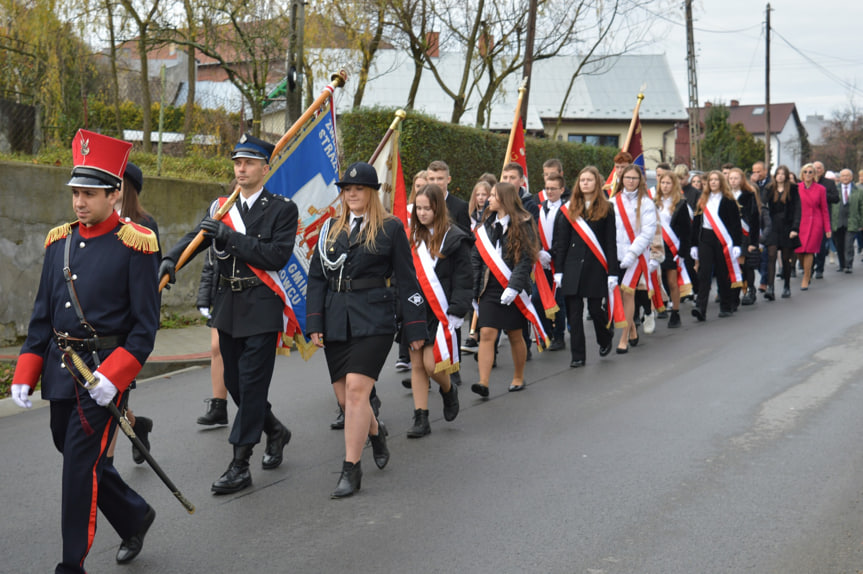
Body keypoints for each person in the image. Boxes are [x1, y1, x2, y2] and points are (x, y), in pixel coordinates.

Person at [10, 129, 160, 571]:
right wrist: (25, 371)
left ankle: (70, 564)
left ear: (114, 194)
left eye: (89, 193)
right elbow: (42, 317)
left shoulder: (136, 244)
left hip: (101, 376)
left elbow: (144, 329)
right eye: (75, 192)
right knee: (75, 452)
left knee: (77, 469)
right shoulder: (59, 243)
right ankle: (134, 515)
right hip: (61, 372)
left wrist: (113, 377)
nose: (79, 201)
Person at [160, 134, 297, 494]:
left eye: (249, 162)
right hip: (228, 305)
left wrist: (229, 236)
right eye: (237, 162)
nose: (241, 168)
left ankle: (240, 463)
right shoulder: (221, 205)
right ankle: (275, 430)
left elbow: (276, 256)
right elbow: (197, 236)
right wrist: (171, 259)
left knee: (252, 385)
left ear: (266, 168)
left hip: (262, 306)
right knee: (236, 386)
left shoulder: (283, 209)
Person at [306, 162, 427, 498]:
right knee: (347, 401)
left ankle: (351, 468)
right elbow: (317, 278)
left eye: (358, 189)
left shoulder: (390, 228)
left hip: (374, 319)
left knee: (358, 392)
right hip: (336, 320)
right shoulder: (329, 229)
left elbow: (406, 278)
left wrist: (415, 326)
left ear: (372, 192)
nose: (352, 194)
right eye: (347, 189)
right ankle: (375, 433)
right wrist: (314, 321)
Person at [104, 162, 158, 466]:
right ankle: (138, 426)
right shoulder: (99, 222)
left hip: (127, 329)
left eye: (117, 183)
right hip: (99, 326)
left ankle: (105, 468)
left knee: (114, 395)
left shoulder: (144, 225)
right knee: (109, 400)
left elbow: (150, 283)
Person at [405, 184, 469, 437]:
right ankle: (421, 418)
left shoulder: (455, 238)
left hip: (442, 312)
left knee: (432, 365)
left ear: (438, 209)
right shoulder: (411, 238)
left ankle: (447, 390)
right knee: (417, 365)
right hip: (415, 311)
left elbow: (464, 278)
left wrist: (456, 311)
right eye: (418, 208)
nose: (422, 213)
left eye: (427, 209)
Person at [471, 182, 541, 395]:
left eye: (493, 195)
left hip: (513, 289)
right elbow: (476, 259)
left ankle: (518, 377)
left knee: (514, 334)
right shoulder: (485, 226)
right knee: (486, 333)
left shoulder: (523, 223)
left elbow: (526, 259)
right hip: (490, 288)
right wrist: (473, 291)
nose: (488, 199)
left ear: (504, 199)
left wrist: (514, 287)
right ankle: (483, 382)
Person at [552, 166, 618, 367]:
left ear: (596, 183)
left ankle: (605, 338)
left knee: (596, 309)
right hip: (572, 266)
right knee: (574, 312)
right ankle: (578, 356)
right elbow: (561, 242)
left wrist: (612, 273)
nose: (585, 183)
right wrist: (559, 271)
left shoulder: (607, 208)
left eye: (589, 180)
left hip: (596, 266)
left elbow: (610, 243)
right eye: (582, 180)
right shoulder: (568, 207)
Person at [610, 164, 657, 353]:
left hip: (636, 257)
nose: (630, 181)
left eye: (634, 178)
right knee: (619, 297)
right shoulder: (613, 201)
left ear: (640, 181)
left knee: (628, 294)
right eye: (627, 178)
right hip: (616, 255)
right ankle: (632, 328)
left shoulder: (646, 203)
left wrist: (632, 253)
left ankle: (623, 338)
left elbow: (647, 232)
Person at [690, 171, 743, 320]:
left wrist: (737, 244)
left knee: (722, 272)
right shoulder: (702, 199)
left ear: (721, 182)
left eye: (716, 180)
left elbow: (735, 224)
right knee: (704, 273)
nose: (713, 182)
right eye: (710, 180)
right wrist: (694, 245)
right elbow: (696, 224)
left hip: (722, 239)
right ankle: (701, 308)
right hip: (705, 238)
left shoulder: (728, 200)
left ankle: (726, 306)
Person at [654, 171, 691, 328]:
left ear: (674, 185)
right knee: (655, 280)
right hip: (656, 246)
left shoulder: (680, 204)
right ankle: (658, 307)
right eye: (662, 183)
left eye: (668, 183)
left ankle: (675, 312)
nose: (665, 186)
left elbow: (686, 230)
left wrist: (683, 252)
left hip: (672, 248)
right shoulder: (653, 202)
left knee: (672, 282)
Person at [536, 173, 567, 350]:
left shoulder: (566, 209)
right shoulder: (539, 207)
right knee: (537, 298)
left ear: (561, 190)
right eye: (547, 188)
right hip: (540, 261)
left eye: (553, 189)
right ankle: (546, 331)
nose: (549, 192)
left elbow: (563, 238)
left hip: (558, 262)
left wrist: (551, 253)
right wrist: (539, 251)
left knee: (558, 301)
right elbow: (533, 230)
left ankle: (559, 336)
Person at [762, 165, 800, 299]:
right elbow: (763, 206)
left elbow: (797, 209)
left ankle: (787, 286)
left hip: (787, 227)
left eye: (783, 174)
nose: (780, 176)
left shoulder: (793, 189)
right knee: (771, 255)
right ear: (775, 175)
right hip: (773, 226)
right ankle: (770, 288)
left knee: (785, 258)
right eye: (778, 173)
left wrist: (795, 228)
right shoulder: (769, 189)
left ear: (786, 176)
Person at [793, 163, 831, 290]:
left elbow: (824, 209)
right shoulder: (796, 187)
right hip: (800, 222)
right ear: (802, 174)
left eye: (810, 172)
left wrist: (827, 228)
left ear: (814, 174)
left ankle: (806, 277)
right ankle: (806, 270)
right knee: (799, 250)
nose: (808, 174)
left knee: (809, 250)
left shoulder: (821, 189)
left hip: (815, 222)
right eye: (805, 172)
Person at [727, 167, 761, 307]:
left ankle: (750, 290)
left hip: (745, 234)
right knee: (733, 264)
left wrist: (754, 241)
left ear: (742, 180)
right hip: (729, 234)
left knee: (746, 265)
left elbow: (754, 219)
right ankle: (734, 294)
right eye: (731, 178)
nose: (733, 181)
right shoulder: (726, 195)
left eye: (736, 178)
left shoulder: (748, 195)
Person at [812, 161, 839, 278]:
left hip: (823, 217)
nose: (817, 170)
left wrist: (822, 195)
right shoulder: (808, 182)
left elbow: (836, 198)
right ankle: (809, 264)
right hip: (808, 218)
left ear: (823, 170)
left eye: (819, 168)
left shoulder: (828, 183)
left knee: (821, 244)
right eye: (815, 168)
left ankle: (819, 268)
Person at [832, 168, 857, 273]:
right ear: (840, 178)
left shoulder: (858, 190)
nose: (845, 177)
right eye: (843, 176)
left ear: (851, 177)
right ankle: (842, 264)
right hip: (837, 221)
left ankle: (848, 265)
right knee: (839, 244)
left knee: (849, 244)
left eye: (847, 176)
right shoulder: (834, 190)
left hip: (851, 221)